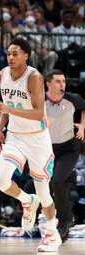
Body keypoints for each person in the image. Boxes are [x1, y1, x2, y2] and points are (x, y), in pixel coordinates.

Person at [0, 37, 61, 252]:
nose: (10, 57)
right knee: (0, 180)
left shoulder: (34, 77)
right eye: (9, 54)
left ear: (26, 56)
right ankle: (27, 201)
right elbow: (5, 104)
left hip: (37, 138)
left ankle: (52, 232)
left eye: (15, 54)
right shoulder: (2, 75)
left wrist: (8, 111)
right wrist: (0, 129)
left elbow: (39, 113)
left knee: (44, 192)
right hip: (15, 136)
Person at [44, 69, 85, 242]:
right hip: (47, 149)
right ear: (48, 84)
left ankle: (65, 220)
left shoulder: (72, 98)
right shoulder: (39, 100)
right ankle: (62, 223)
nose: (62, 85)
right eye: (58, 81)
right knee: (43, 184)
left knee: (58, 180)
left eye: (64, 81)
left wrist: (83, 126)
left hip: (69, 148)